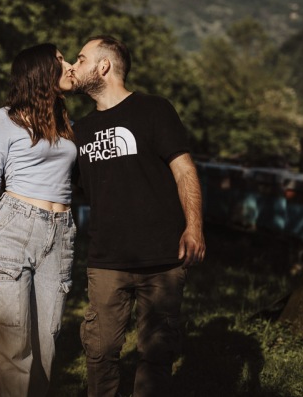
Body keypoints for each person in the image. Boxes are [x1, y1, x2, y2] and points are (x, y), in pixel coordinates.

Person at [69, 35, 206, 397]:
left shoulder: (154, 109)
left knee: (157, 352)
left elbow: (184, 170)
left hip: (162, 256)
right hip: (106, 260)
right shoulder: (78, 131)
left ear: (104, 66)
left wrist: (194, 227)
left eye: (80, 59)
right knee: (99, 351)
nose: (72, 66)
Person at [0, 43, 78, 396]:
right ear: (40, 71)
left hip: (60, 233)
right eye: (60, 59)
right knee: (13, 344)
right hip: (13, 229)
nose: (67, 64)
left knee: (48, 339)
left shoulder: (66, 122)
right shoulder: (5, 118)